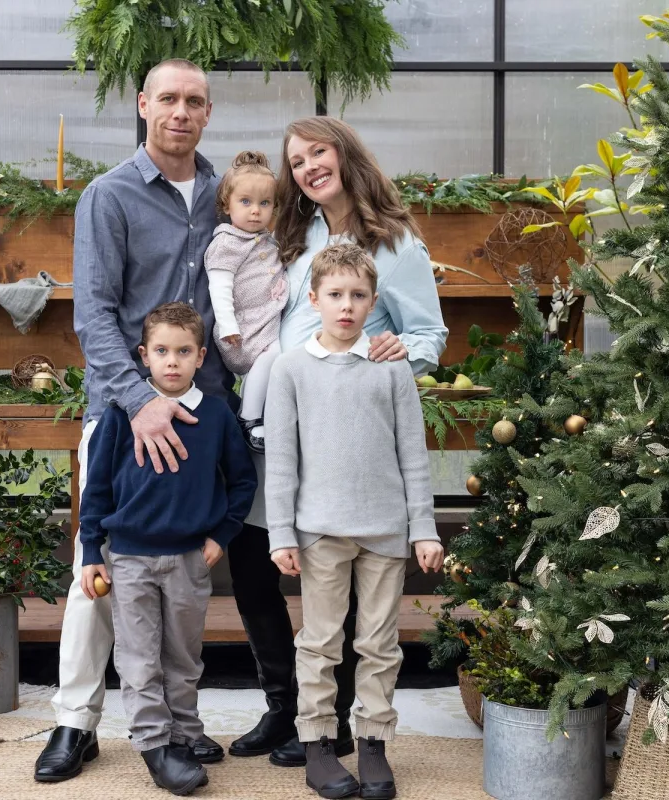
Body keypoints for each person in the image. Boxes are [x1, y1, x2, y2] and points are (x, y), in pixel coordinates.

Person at [226, 116, 448, 767]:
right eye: (296, 161)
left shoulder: (393, 240)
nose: (307, 168)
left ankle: (338, 725)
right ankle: (285, 708)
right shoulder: (292, 236)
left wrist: (400, 354)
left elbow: (428, 333)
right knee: (255, 554)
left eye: (316, 152)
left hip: (341, 425)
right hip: (278, 415)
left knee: (341, 565)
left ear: (344, 153)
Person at [36, 58, 234, 783]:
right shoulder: (109, 195)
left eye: (195, 101)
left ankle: (179, 723)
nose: (181, 112)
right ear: (144, 104)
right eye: (169, 99)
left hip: (200, 416)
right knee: (101, 568)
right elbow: (92, 316)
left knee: (184, 576)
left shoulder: (226, 195)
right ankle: (74, 722)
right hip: (125, 414)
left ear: (208, 113)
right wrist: (140, 402)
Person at [266, 243, 445, 799]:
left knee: (379, 643)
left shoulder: (390, 368)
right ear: (314, 299)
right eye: (335, 295)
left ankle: (372, 744)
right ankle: (318, 746)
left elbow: (413, 453)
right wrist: (281, 533)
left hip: (386, 532)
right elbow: (283, 458)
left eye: (358, 296)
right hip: (320, 531)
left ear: (373, 302)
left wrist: (424, 528)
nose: (346, 306)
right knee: (320, 644)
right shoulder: (291, 369)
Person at [78, 302, 257, 796]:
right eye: (161, 351)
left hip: (189, 559)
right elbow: (96, 490)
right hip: (130, 558)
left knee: (183, 656)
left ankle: (184, 731)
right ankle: (156, 747)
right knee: (139, 658)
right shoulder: (121, 415)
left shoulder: (217, 415)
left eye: (183, 351)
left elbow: (241, 482)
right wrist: (92, 550)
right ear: (143, 356)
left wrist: (221, 535)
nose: (172, 361)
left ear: (201, 356)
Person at [204, 150, 287, 454]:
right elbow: (220, 287)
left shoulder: (266, 240)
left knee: (267, 364)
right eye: (246, 202)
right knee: (273, 354)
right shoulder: (226, 243)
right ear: (227, 205)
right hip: (241, 330)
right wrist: (227, 325)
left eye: (264, 203)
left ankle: (257, 413)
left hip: (263, 319)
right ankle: (249, 418)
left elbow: (274, 272)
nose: (256, 211)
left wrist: (282, 287)